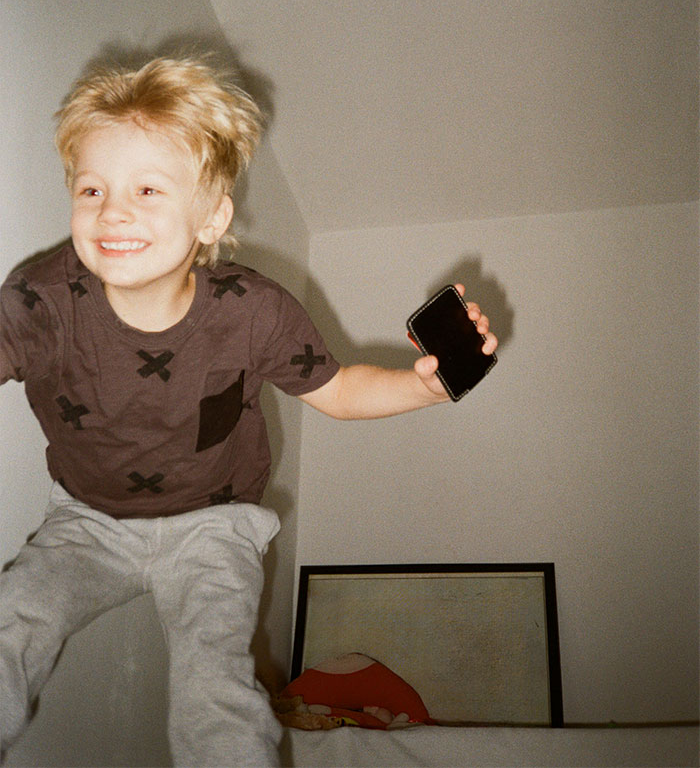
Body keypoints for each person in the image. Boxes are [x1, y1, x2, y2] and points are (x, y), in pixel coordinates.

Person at [0, 55, 497, 767]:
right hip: (87, 519)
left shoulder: (252, 311)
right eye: (92, 189)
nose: (114, 211)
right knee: (12, 621)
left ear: (212, 216)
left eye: (147, 189)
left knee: (215, 686)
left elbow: (340, 392)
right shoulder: (42, 300)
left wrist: (427, 385)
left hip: (214, 524)